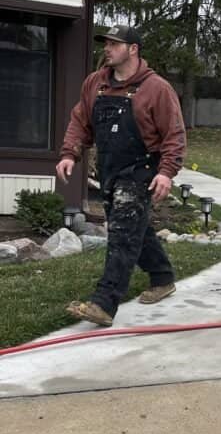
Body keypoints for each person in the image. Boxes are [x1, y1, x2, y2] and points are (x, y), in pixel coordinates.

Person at [55, 24, 187, 326]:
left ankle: (105, 303)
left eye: (115, 44)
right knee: (135, 229)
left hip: (142, 169)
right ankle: (163, 277)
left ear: (133, 49)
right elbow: (80, 120)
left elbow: (174, 135)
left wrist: (167, 172)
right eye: (106, 43)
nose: (107, 48)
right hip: (110, 168)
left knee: (123, 235)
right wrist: (68, 153)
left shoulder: (157, 89)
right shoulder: (95, 83)